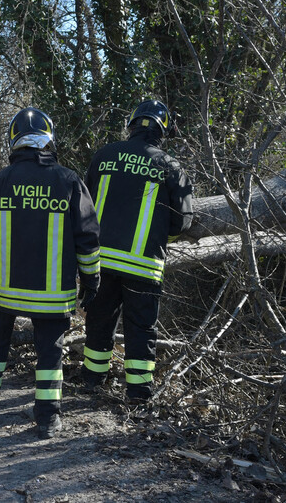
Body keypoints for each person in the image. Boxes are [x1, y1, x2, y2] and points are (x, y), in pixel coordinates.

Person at [0, 107, 101, 439]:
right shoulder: (70, 181)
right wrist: (91, 278)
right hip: (53, 294)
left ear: (14, 142)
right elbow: (88, 238)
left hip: (6, 290)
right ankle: (48, 419)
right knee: (50, 351)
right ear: (49, 141)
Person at [80, 99, 194, 403]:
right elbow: (182, 223)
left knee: (99, 320)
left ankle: (92, 379)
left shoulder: (104, 156)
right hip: (144, 265)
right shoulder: (171, 167)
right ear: (163, 131)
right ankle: (139, 394)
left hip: (100, 262)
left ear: (131, 124)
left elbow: (83, 206)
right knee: (141, 329)